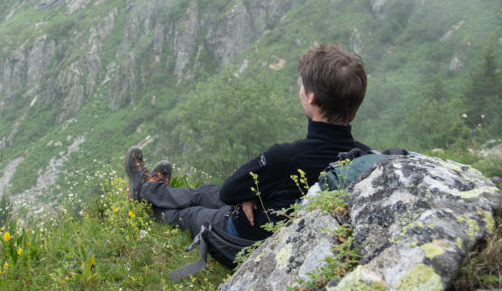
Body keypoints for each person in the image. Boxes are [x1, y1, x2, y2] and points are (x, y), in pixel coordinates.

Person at [125, 44, 370, 270]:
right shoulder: (361, 157)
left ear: (312, 98)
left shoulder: (286, 157)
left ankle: (147, 201)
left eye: (302, 85)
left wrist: (250, 195)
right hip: (273, 221)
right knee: (205, 191)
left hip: (240, 235)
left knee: (191, 213)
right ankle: (149, 188)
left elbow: (229, 193)